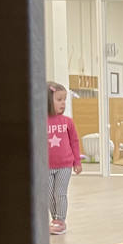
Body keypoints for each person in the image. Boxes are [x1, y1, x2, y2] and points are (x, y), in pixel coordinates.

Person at [46, 81, 82, 235]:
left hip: (64, 166)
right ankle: (54, 219)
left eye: (64, 100)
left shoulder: (68, 122)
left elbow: (74, 142)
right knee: (48, 194)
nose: (63, 103)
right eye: (59, 99)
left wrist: (77, 162)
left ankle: (60, 220)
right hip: (46, 166)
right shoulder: (40, 121)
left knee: (60, 193)